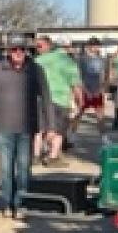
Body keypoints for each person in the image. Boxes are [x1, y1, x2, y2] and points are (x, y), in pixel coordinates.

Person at [0, 35, 52, 216]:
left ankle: (21, 203)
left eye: (21, 50)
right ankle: (7, 203)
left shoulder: (35, 70)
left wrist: (51, 126)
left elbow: (46, 98)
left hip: (27, 127)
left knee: (24, 168)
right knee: (6, 168)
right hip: (4, 126)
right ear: (8, 52)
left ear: (26, 51)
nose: (18, 53)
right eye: (14, 50)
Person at [34, 35, 83, 166]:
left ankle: (35, 155)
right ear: (69, 47)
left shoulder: (38, 60)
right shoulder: (69, 62)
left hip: (40, 98)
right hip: (60, 99)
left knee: (39, 128)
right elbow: (75, 85)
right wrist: (80, 101)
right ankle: (53, 157)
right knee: (59, 130)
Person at [71, 38, 108, 133]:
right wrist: (86, 91)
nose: (96, 48)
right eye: (94, 46)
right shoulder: (81, 59)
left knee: (100, 115)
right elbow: (79, 77)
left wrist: (101, 90)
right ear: (89, 46)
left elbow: (102, 76)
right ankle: (72, 134)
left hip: (97, 90)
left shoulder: (101, 60)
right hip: (84, 90)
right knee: (79, 113)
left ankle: (103, 136)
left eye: (98, 46)